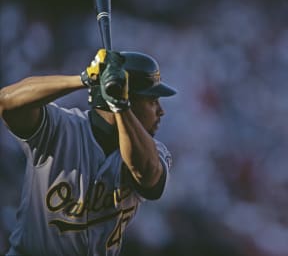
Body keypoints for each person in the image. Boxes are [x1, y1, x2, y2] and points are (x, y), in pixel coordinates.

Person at [0, 49, 176, 256]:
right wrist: (82, 79)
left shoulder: (153, 150)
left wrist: (120, 106)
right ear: (131, 98)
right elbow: (6, 101)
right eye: (152, 101)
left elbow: (145, 172)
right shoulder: (60, 128)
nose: (161, 110)